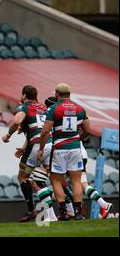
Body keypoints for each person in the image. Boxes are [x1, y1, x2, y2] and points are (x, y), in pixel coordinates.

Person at [44, 96, 113, 219]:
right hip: (78, 151)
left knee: (70, 182)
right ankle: (81, 208)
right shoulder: (70, 114)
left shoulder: (54, 117)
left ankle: (98, 205)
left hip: (69, 152)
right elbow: (85, 128)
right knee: (77, 183)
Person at [1, 85, 53, 222]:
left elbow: (16, 121)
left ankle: (31, 210)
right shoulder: (44, 107)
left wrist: (8, 135)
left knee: (23, 177)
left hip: (37, 146)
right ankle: (58, 214)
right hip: (51, 144)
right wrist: (24, 147)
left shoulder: (24, 107)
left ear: (24, 95)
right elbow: (40, 128)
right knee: (44, 180)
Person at [38, 83, 89, 221]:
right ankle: (78, 213)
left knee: (56, 180)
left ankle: (64, 213)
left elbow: (45, 131)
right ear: (69, 94)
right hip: (75, 148)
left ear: (56, 94)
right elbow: (88, 130)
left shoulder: (53, 109)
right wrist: (79, 139)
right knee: (76, 181)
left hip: (59, 148)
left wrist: (41, 149)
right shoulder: (80, 108)